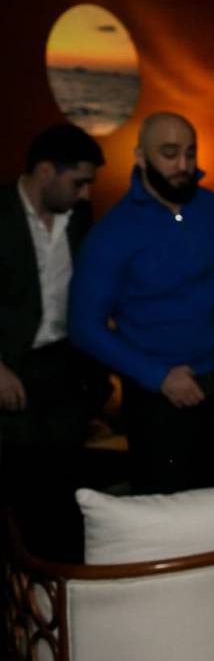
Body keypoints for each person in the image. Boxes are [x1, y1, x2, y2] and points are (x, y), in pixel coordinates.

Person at [69, 112, 214, 494]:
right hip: (157, 399)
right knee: (172, 511)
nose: (183, 165)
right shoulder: (111, 233)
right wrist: (158, 376)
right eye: (169, 153)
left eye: (190, 153)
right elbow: (84, 327)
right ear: (140, 157)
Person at [0, 123, 108, 558]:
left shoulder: (79, 216)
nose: (86, 193)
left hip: (65, 368)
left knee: (64, 495)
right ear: (45, 171)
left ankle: (65, 584)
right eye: (78, 181)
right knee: (18, 495)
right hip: (11, 367)